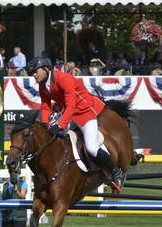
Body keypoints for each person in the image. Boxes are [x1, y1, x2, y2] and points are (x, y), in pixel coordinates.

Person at [27, 56, 126, 192]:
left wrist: (60, 125)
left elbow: (72, 105)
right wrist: (45, 126)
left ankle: (116, 172)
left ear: (45, 69)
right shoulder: (43, 85)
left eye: (35, 71)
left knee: (91, 147)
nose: (33, 75)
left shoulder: (64, 78)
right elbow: (45, 106)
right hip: (67, 112)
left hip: (85, 112)